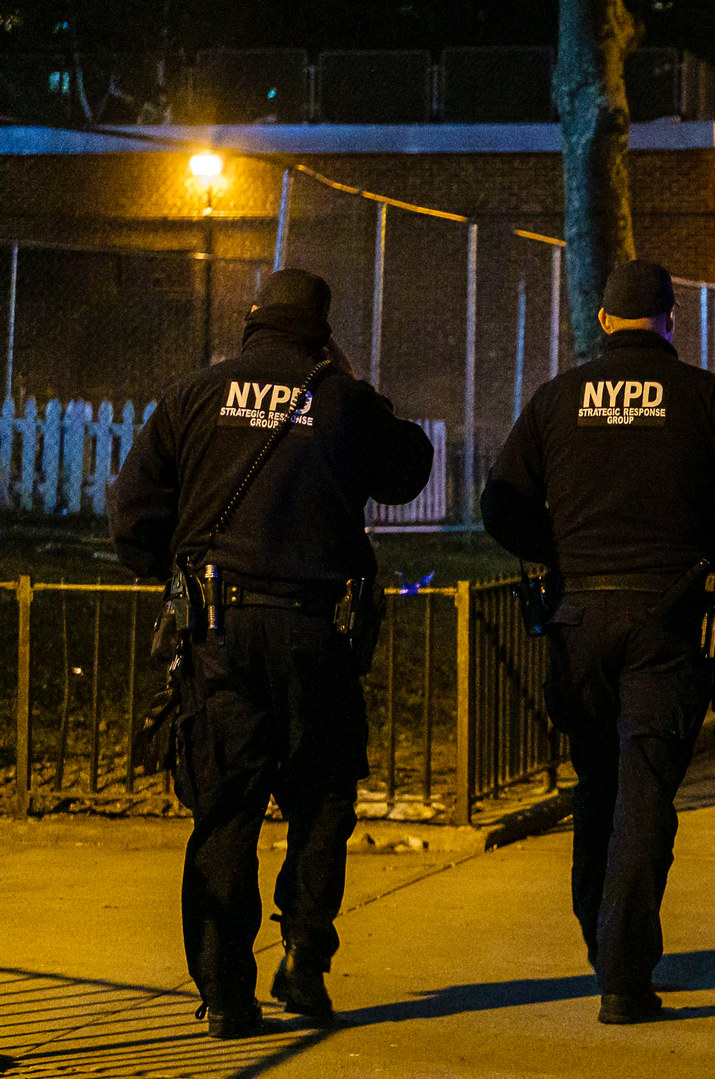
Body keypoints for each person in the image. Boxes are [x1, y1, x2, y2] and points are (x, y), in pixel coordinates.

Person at [108, 269, 433, 1038]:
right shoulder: (342, 399)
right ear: (322, 334)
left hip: (216, 631)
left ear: (254, 323)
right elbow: (410, 468)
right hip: (313, 634)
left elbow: (132, 515)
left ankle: (225, 994)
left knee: (225, 811)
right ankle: (305, 959)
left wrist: (175, 579)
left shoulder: (195, 394)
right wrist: (352, 384)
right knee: (320, 800)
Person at [481, 259, 715, 1021]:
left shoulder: (556, 399)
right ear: (670, 318)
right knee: (646, 793)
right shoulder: (708, 398)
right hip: (666, 618)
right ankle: (624, 972)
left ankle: (601, 942)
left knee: (598, 787)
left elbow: (500, 503)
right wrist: (714, 560)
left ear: (601, 320)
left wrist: (561, 552)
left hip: (578, 619)